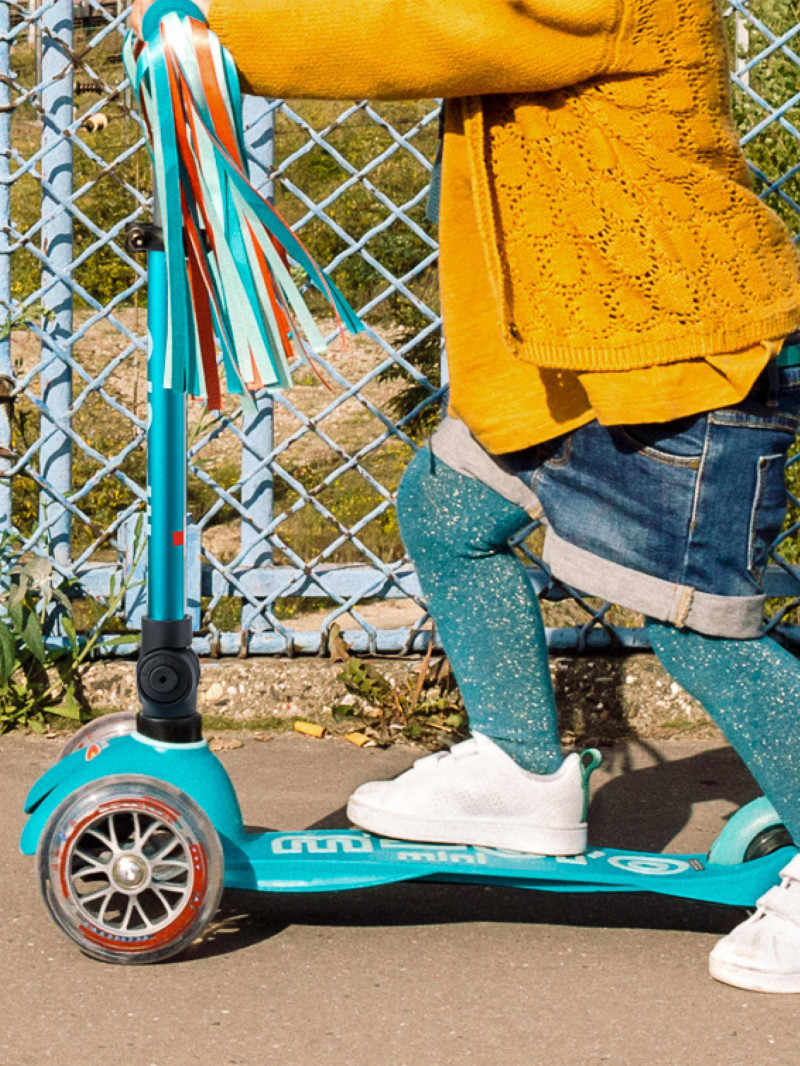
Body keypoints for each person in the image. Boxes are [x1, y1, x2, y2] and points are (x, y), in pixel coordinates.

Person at [132, 0, 800, 992]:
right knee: (447, 511)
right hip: (566, 365)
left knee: (697, 626)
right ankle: (518, 769)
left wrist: (221, 33)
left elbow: (432, 28)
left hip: (672, 365)